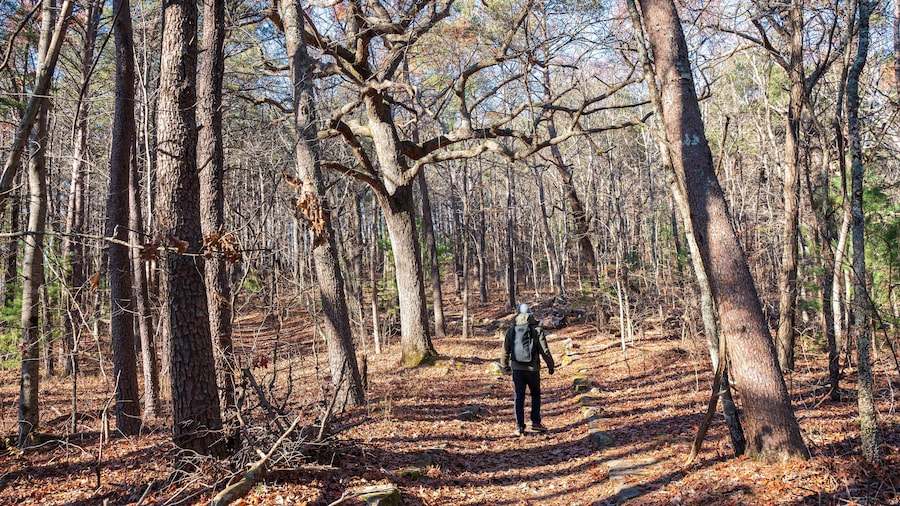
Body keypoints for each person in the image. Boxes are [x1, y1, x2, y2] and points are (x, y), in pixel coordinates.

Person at [500, 303, 555, 436]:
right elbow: (544, 350)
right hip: (533, 369)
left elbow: (505, 351)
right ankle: (535, 422)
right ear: (530, 313)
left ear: (518, 314)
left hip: (517, 369)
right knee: (535, 395)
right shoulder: (537, 330)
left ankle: (520, 426)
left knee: (519, 397)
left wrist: (504, 365)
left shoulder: (511, 331)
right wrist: (550, 365)